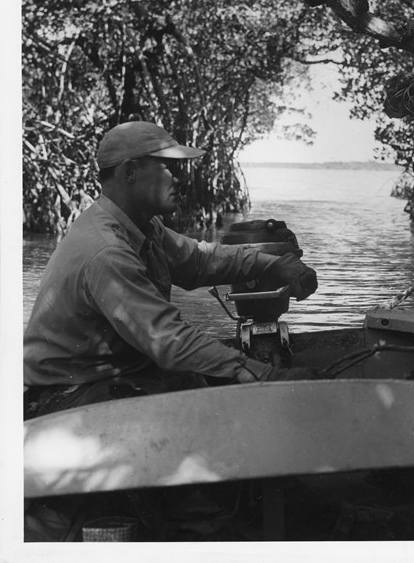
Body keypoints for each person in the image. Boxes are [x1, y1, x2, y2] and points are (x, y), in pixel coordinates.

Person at [24, 121, 319, 421]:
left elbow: (200, 260)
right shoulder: (106, 250)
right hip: (61, 399)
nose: (179, 179)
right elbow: (167, 339)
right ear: (129, 173)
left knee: (200, 386)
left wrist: (273, 264)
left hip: (116, 375)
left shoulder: (144, 226)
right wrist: (264, 375)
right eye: (168, 167)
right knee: (204, 411)